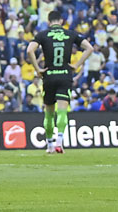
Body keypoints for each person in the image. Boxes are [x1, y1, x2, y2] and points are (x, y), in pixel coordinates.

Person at [25, 9, 92, 153]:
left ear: (49, 22)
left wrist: (37, 69)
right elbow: (89, 48)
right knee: (62, 111)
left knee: (49, 113)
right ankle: (59, 142)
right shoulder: (70, 34)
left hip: (49, 76)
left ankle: (49, 145)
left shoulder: (42, 34)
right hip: (65, 76)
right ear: (61, 21)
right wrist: (76, 65)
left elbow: (30, 50)